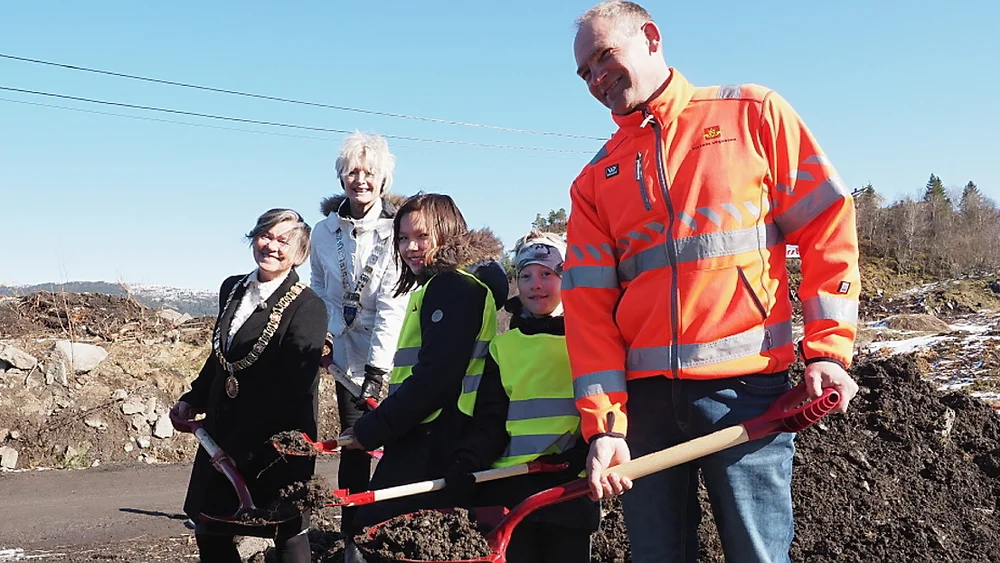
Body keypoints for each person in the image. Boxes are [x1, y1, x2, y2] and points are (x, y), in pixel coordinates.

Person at [565, 2, 861, 562]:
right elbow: (588, 307)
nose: (596, 78)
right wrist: (605, 425)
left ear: (651, 37)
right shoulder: (593, 181)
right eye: (585, 73)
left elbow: (828, 225)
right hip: (645, 407)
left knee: (757, 554)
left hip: (745, 394)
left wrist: (828, 350)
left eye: (605, 56)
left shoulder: (754, 114)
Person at [342, 193, 509, 533]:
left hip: (434, 440)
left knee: (370, 533)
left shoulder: (453, 286)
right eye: (403, 238)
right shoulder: (442, 286)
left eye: (421, 237)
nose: (410, 247)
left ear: (447, 233)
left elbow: (436, 379)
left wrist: (372, 429)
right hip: (430, 434)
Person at [169, 209, 327, 563]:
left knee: (285, 530)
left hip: (278, 439)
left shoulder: (308, 307)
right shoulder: (233, 288)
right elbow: (220, 356)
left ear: (300, 253)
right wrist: (194, 398)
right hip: (223, 427)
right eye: (265, 236)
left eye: (283, 240)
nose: (271, 246)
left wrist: (242, 444)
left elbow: (294, 387)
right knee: (211, 525)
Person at [449, 230, 599, 563]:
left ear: (567, 277)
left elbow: (605, 403)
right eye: (526, 275)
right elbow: (491, 419)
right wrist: (467, 460)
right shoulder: (504, 347)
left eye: (548, 274)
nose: (536, 284)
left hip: (569, 488)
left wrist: (586, 451)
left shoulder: (589, 340)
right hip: (512, 487)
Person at [309, 131, 409, 556]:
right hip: (344, 359)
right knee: (354, 446)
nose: (361, 179)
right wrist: (324, 337)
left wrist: (378, 371)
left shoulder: (397, 232)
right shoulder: (322, 232)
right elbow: (320, 288)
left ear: (383, 178)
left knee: (400, 446)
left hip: (391, 357)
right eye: (353, 171)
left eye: (370, 172)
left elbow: (392, 303)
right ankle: (352, 539)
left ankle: (393, 530)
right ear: (341, 176)